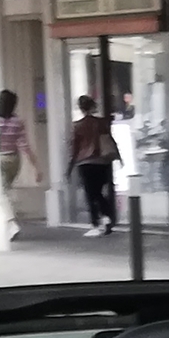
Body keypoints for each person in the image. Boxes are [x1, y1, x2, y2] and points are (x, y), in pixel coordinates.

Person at [69, 92, 117, 235]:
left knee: (91, 194)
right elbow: (110, 140)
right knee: (99, 192)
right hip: (102, 162)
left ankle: (96, 222)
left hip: (86, 163)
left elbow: (75, 148)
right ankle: (107, 216)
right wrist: (119, 157)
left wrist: (70, 167)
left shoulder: (78, 126)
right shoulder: (101, 123)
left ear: (80, 108)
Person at [0, 88, 30, 237]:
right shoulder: (18, 122)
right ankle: (10, 217)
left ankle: (11, 222)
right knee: (6, 189)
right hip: (14, 159)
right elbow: (24, 145)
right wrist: (35, 166)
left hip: (0, 158)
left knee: (1, 191)